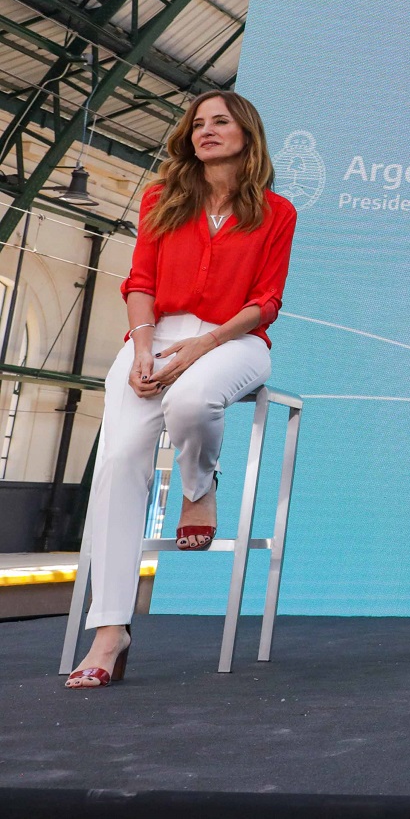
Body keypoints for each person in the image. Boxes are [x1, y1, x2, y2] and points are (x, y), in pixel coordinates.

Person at [66, 91, 297, 689]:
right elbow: (139, 281)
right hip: (154, 332)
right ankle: (111, 631)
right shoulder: (160, 200)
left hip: (235, 339)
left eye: (220, 121)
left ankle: (198, 487)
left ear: (247, 132)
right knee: (118, 461)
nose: (206, 130)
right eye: (198, 123)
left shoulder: (276, 212)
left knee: (192, 400)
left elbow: (265, 302)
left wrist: (200, 348)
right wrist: (143, 349)